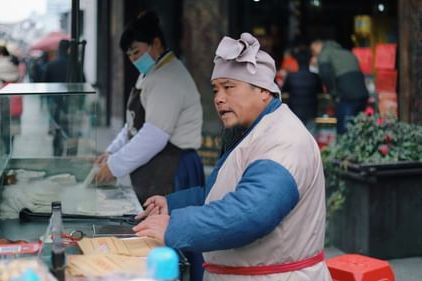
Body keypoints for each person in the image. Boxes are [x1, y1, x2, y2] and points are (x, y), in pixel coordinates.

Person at [133, 33, 331, 281]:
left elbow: (250, 212)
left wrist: (175, 227)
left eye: (229, 87)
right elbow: (223, 193)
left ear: (263, 91)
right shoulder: (255, 130)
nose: (219, 98)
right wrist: (172, 204)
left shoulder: (284, 140)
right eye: (216, 89)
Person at [94, 11, 204, 202]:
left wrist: (114, 166)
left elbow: (154, 136)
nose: (133, 59)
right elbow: (132, 126)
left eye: (136, 52)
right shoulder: (150, 73)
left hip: (175, 167)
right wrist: (111, 151)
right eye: (129, 55)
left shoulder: (168, 78)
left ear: (156, 43)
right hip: (158, 166)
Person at [310, 39, 368, 134]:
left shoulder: (324, 54)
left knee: (343, 132)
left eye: (313, 51)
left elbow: (325, 74)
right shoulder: (347, 52)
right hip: (362, 94)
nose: (313, 54)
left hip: (346, 95)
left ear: (317, 46)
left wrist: (332, 92)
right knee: (357, 129)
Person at [282, 49, 322, 133]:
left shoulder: (291, 76)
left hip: (294, 112)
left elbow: (284, 90)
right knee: (311, 138)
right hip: (311, 111)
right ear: (309, 61)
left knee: (295, 138)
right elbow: (321, 91)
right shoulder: (315, 76)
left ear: (297, 61)